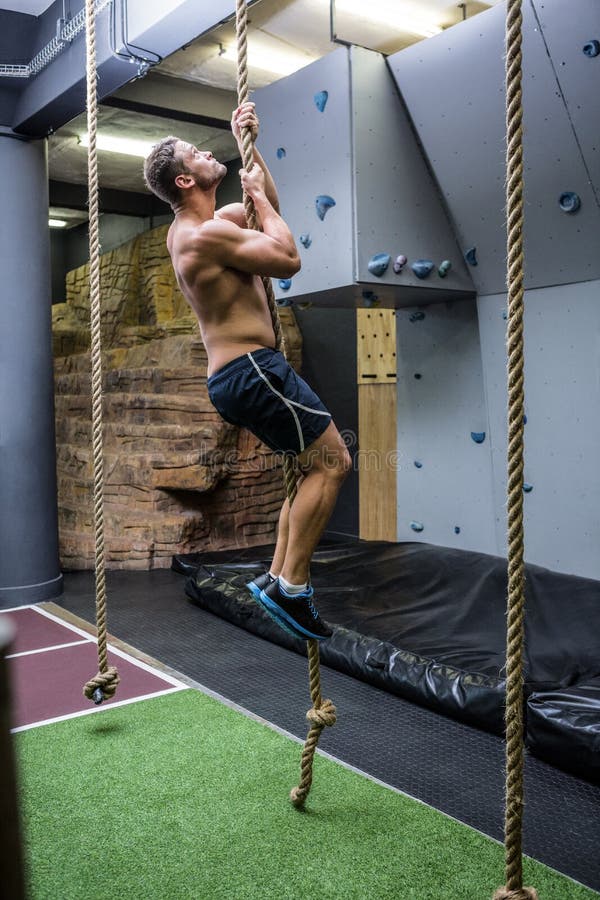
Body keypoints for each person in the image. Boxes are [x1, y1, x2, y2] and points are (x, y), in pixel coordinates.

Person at [143, 102, 351, 641]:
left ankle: (277, 578)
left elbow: (265, 213)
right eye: (198, 154)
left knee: (309, 471)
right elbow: (286, 256)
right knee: (333, 463)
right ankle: (292, 587)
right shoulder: (200, 236)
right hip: (253, 369)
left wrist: (248, 148)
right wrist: (255, 192)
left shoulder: (207, 225)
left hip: (243, 374)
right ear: (186, 179)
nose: (208, 152)